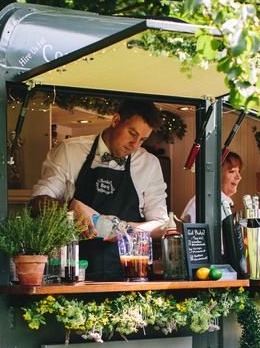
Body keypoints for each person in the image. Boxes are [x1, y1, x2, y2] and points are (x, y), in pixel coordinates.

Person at [30, 99, 168, 281]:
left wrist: (122, 228)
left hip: (129, 276)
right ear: (116, 120)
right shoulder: (70, 152)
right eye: (132, 133)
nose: (134, 145)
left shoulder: (148, 164)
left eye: (142, 139)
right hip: (73, 274)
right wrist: (70, 207)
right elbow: (36, 204)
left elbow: (160, 225)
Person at [181, 152, 243, 223]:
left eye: (239, 172)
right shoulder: (202, 204)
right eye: (232, 171)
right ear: (216, 174)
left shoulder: (224, 203)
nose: (239, 177)